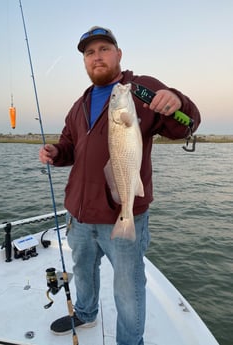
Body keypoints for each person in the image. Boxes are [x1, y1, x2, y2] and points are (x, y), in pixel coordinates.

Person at [39, 26, 201, 345]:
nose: (96, 57)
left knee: (128, 288)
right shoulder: (80, 104)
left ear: (118, 54)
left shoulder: (139, 89)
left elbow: (183, 126)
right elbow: (70, 145)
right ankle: (85, 313)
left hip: (123, 214)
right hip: (80, 215)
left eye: (103, 49)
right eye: (89, 53)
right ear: (85, 62)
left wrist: (177, 101)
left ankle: (129, 341)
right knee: (83, 273)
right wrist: (56, 152)